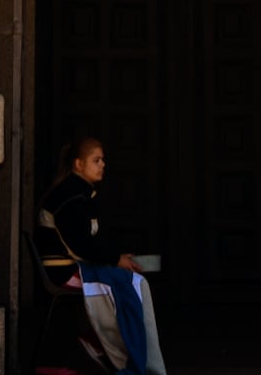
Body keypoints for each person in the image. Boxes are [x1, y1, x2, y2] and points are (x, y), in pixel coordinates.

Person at [37, 133, 164, 375]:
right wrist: (116, 260)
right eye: (97, 160)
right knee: (134, 284)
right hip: (64, 271)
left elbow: (88, 244)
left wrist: (117, 258)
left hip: (75, 266)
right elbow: (81, 246)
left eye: (102, 159)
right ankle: (130, 361)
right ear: (78, 164)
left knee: (135, 276)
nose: (103, 164)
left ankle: (112, 349)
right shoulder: (71, 195)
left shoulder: (79, 192)